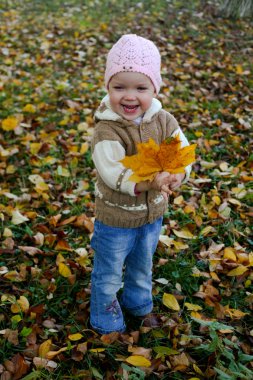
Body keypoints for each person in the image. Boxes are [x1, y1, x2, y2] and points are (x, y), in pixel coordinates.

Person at [90, 34, 191, 334]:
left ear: (154, 89)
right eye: (119, 87)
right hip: (116, 218)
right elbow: (113, 172)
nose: (130, 96)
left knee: (142, 264)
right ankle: (105, 316)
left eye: (140, 88)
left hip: (151, 216)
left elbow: (181, 154)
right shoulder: (107, 129)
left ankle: (138, 303)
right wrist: (151, 181)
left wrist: (176, 175)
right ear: (107, 87)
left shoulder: (164, 121)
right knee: (109, 271)